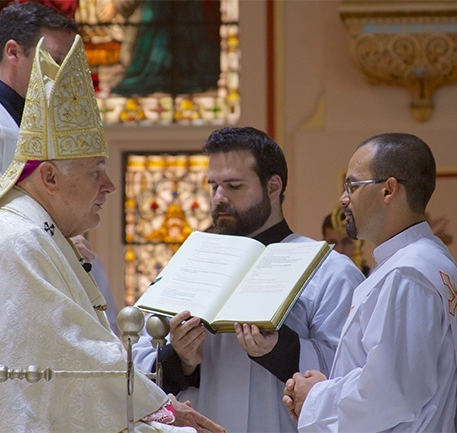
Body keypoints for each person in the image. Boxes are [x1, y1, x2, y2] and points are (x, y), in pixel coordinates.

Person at [0, 35, 223, 433]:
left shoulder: (33, 231)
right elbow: (75, 359)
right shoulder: (13, 242)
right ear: (48, 176)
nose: (109, 186)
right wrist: (163, 408)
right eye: (95, 171)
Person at [133, 126, 365, 432]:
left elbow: (351, 374)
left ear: (273, 186)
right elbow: (137, 370)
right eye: (213, 185)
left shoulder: (330, 270)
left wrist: (278, 349)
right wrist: (180, 359)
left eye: (234, 185)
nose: (219, 198)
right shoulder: (186, 267)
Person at [0, 1, 119, 330]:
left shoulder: (33, 125)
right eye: (53, 62)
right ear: (13, 52)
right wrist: (58, 247)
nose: (61, 79)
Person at [283, 132, 457, 432]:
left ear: (388, 190)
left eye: (352, 185)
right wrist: (326, 386)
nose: (343, 199)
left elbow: (390, 394)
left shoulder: (407, 275)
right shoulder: (431, 262)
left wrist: (316, 396)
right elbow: (395, 379)